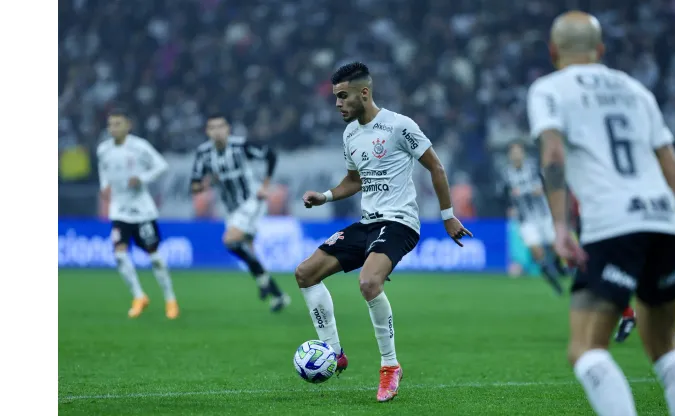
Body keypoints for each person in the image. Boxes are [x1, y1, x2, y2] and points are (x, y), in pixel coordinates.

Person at [527, 11, 675, 416]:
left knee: (586, 349)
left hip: (613, 223)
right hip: (665, 220)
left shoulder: (548, 89)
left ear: (553, 50)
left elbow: (554, 154)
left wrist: (560, 225)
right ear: (600, 50)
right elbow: (671, 165)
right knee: (665, 348)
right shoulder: (636, 89)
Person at [297, 62, 472, 402]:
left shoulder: (398, 126)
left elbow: (436, 166)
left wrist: (448, 216)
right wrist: (326, 196)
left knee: (368, 282)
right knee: (305, 273)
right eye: (335, 97)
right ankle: (333, 351)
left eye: (342, 96)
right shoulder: (350, 135)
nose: (337, 104)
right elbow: (354, 180)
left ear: (364, 93)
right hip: (368, 223)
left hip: (399, 222)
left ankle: (390, 366)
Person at [190, 113, 290, 312]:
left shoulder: (240, 146)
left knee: (230, 240)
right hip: (231, 209)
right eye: (212, 127)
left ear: (228, 129)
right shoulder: (203, 153)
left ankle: (263, 280)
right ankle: (277, 294)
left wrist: (265, 185)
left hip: (252, 200)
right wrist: (203, 185)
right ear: (207, 131)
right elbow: (194, 184)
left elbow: (270, 154)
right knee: (248, 251)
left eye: (221, 127)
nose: (217, 131)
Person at [97, 109, 179, 319]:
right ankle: (139, 296)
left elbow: (162, 165)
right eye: (111, 124)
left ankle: (170, 299)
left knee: (155, 258)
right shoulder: (103, 149)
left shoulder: (139, 147)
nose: (113, 128)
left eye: (118, 124)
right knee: (120, 255)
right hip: (119, 211)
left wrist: (142, 178)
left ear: (128, 126)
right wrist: (104, 186)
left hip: (142, 210)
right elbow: (103, 171)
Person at [504, 140, 566, 294]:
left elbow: (546, 184)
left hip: (543, 215)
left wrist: (542, 190)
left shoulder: (533, 168)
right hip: (526, 220)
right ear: (510, 156)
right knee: (536, 251)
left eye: (518, 151)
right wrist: (510, 206)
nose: (516, 155)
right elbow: (505, 195)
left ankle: (560, 267)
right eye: (513, 153)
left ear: (523, 154)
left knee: (555, 247)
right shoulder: (506, 174)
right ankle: (554, 282)